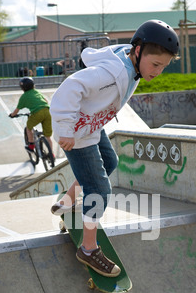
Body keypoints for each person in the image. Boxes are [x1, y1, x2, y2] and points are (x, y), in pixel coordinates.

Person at [50, 20, 179, 277]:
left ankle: (67, 201)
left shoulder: (131, 59)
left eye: (163, 67)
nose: (158, 72)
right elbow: (71, 87)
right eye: (155, 65)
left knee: (110, 163)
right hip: (76, 134)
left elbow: (118, 50)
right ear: (139, 51)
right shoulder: (113, 75)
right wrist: (65, 129)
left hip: (91, 127)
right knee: (99, 189)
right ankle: (88, 249)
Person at [9, 77, 53, 153]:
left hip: (37, 113)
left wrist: (12, 115)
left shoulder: (24, 97)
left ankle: (31, 146)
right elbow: (45, 100)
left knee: (28, 128)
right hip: (47, 111)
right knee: (47, 136)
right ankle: (52, 154)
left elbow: (17, 110)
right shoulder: (36, 92)